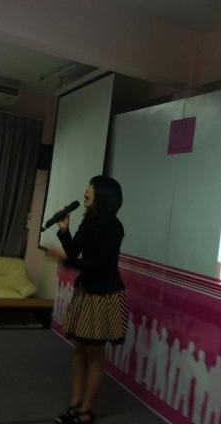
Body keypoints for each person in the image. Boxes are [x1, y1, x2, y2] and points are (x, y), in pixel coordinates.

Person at [47, 175, 127, 424]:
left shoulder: (113, 227)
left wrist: (65, 259)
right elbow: (74, 251)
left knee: (94, 353)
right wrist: (64, 231)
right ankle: (74, 404)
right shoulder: (89, 220)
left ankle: (87, 410)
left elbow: (99, 265)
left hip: (103, 295)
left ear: (103, 195)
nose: (86, 190)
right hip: (86, 291)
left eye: (91, 187)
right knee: (79, 349)